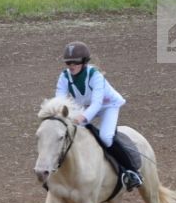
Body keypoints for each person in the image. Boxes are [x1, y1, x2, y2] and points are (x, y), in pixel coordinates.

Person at [54, 41, 142, 190]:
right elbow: (59, 101)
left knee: (106, 137)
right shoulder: (64, 77)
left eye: (76, 61)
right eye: (68, 62)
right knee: (67, 134)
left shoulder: (95, 76)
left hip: (107, 106)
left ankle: (131, 172)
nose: (71, 65)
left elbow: (97, 103)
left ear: (84, 62)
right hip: (85, 108)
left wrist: (82, 118)